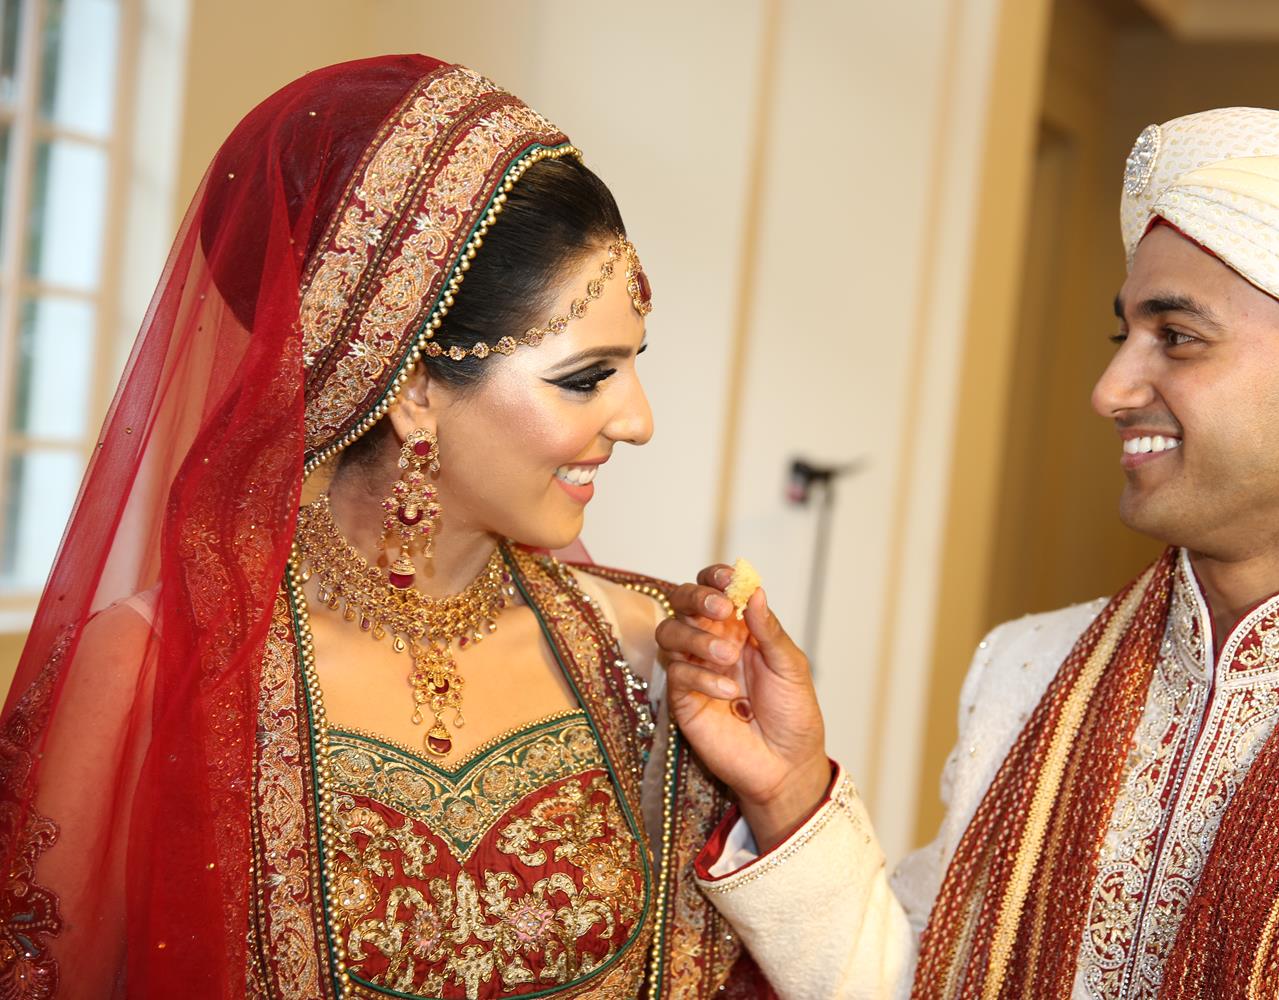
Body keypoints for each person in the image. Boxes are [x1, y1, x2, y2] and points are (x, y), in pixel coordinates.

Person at [659, 107, 1279, 998]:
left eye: (1176, 338)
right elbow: (920, 978)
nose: (1110, 390)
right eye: (1122, 335)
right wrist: (788, 790)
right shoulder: (1026, 668)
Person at [0, 55, 767, 999]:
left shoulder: (650, 653)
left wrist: (790, 787)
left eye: (633, 366)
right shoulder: (155, 670)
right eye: (585, 376)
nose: (639, 420)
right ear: (411, 389)